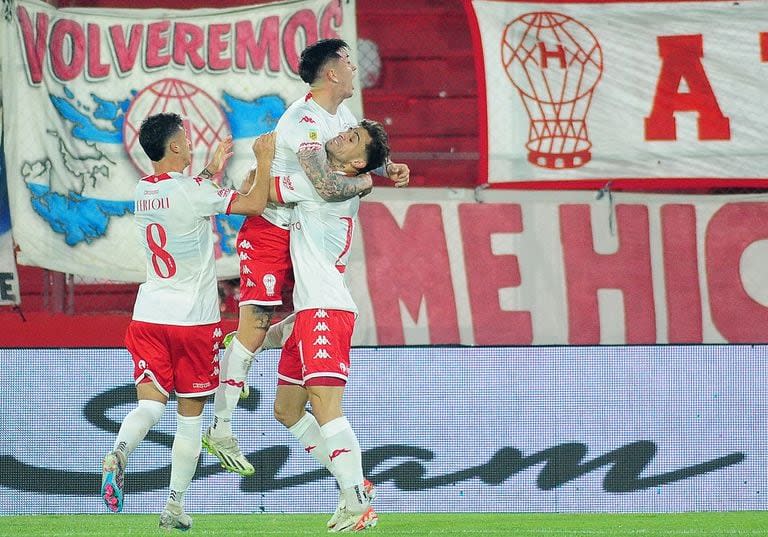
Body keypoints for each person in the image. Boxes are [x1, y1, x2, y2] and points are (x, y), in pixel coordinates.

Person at [203, 38, 409, 477]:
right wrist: (368, 183)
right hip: (271, 225)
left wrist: (386, 166)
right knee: (257, 321)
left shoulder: (345, 117)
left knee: (302, 320)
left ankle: (236, 349)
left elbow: (357, 159)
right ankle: (221, 427)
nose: (356, 68)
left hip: (302, 231)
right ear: (332, 73)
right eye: (349, 62)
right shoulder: (302, 120)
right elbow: (328, 185)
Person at [99, 112, 276, 530]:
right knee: (190, 418)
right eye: (187, 139)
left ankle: (120, 449)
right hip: (193, 322)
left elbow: (188, 192)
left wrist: (212, 169)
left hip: (148, 316)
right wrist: (264, 160)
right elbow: (253, 204)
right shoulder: (194, 192)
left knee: (148, 405)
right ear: (175, 148)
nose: (192, 143)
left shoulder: (144, 190)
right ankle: (174, 505)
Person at [271, 119, 390, 532]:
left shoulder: (322, 188)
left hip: (326, 308)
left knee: (325, 406)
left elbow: (261, 194)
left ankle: (356, 499)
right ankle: (356, 484)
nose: (341, 134)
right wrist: (388, 167)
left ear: (357, 162)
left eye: (352, 138)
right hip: (308, 309)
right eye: (349, 129)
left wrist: (260, 161)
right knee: (287, 410)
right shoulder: (337, 180)